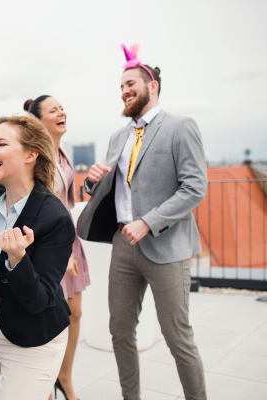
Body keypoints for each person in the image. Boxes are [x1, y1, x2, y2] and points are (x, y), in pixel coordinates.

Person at [76, 44, 207, 400]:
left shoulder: (181, 126)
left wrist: (148, 222)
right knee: (119, 330)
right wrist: (92, 181)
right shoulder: (119, 136)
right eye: (120, 86)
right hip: (123, 246)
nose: (124, 91)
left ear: (153, 85)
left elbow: (195, 187)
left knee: (178, 337)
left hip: (166, 247)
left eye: (131, 83)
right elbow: (109, 191)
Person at [0, 115, 75, 400]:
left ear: (31, 155)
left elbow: (40, 299)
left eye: (1, 143)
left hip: (34, 340)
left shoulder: (54, 218)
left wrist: (18, 258)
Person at [24, 95, 91, 400]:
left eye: (62, 108)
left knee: (74, 313)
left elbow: (67, 202)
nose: (62, 112)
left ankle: (64, 377)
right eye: (54, 110)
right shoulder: (36, 157)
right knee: (53, 316)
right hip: (50, 245)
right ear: (40, 121)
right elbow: (35, 208)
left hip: (69, 240)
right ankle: (45, 386)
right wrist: (59, 255)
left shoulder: (62, 153)